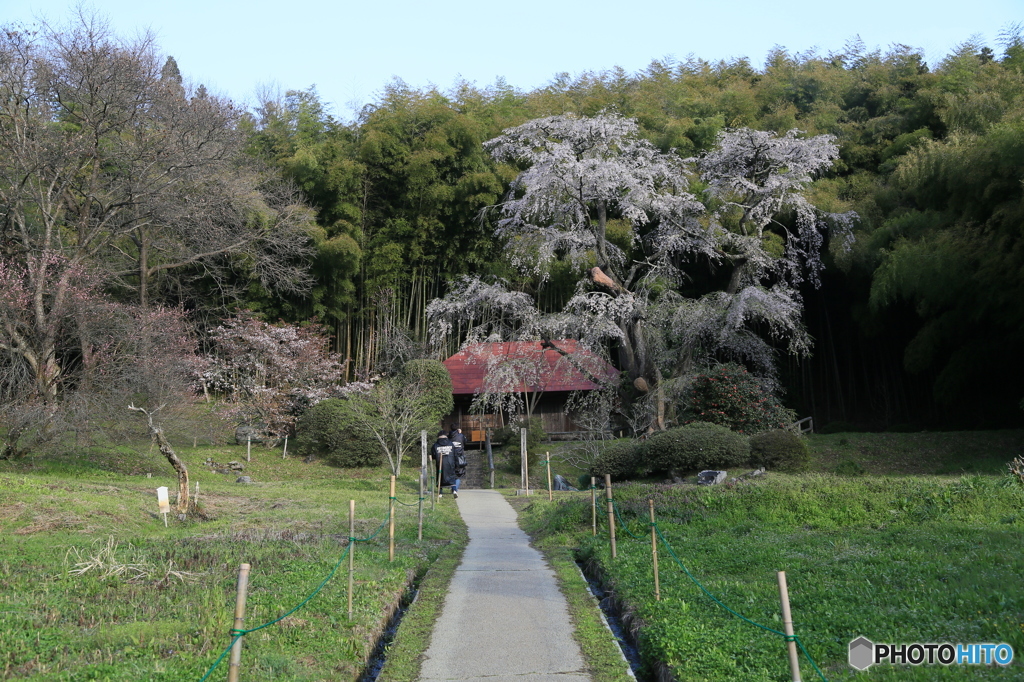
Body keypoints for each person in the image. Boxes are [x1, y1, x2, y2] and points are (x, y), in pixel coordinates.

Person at [431, 430, 460, 498]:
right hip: (450, 463)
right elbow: (455, 454)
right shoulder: (450, 443)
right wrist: (457, 464)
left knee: (440, 477)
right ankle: (454, 490)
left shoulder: (435, 445)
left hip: (440, 463)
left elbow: (433, 455)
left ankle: (440, 493)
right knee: (452, 477)